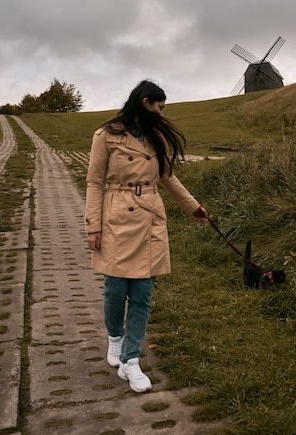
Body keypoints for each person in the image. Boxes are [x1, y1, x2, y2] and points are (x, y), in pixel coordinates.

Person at [85, 80, 208, 393]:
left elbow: (167, 176)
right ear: (144, 103)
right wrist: (93, 226)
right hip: (115, 217)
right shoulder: (106, 135)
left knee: (142, 294)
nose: (161, 113)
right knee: (115, 289)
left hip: (150, 218)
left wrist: (193, 207)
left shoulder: (155, 137)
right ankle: (115, 337)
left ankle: (131, 360)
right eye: (158, 106)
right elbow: (94, 182)